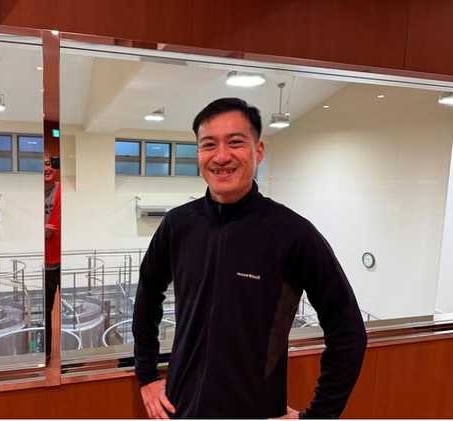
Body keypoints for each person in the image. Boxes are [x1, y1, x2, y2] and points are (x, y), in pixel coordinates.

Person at [132, 98, 367, 419]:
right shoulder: (178, 224)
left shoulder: (292, 232)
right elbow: (148, 292)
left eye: (235, 142)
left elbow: (348, 332)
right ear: (198, 154)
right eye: (209, 145)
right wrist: (146, 374)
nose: (221, 156)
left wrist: (318, 416)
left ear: (259, 151)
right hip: (180, 408)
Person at [44, 156, 61, 357]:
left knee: (68, 309)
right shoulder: (29, 194)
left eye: (49, 164)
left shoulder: (63, 191)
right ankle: (45, 353)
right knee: (44, 310)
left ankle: (70, 357)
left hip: (63, 260)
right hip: (42, 263)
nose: (46, 168)